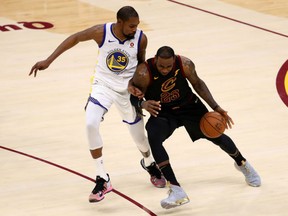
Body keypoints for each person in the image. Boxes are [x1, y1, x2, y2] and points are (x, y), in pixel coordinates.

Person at [29, 6, 166, 203]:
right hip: (103, 86)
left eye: (136, 25)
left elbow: (141, 64)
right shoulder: (101, 32)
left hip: (126, 90)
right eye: (131, 26)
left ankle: (149, 162)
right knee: (90, 124)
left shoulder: (141, 38)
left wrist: (137, 88)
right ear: (119, 22)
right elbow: (75, 38)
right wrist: (49, 60)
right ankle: (102, 178)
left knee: (140, 139)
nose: (135, 29)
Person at [128, 46, 261, 209]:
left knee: (216, 135)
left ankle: (242, 164)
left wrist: (216, 107)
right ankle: (176, 189)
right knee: (154, 137)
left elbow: (198, 84)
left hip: (189, 106)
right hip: (163, 111)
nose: (165, 70)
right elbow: (132, 97)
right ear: (155, 59)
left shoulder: (185, 64)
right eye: (161, 66)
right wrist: (143, 103)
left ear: (174, 60)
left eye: (169, 66)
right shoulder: (144, 73)